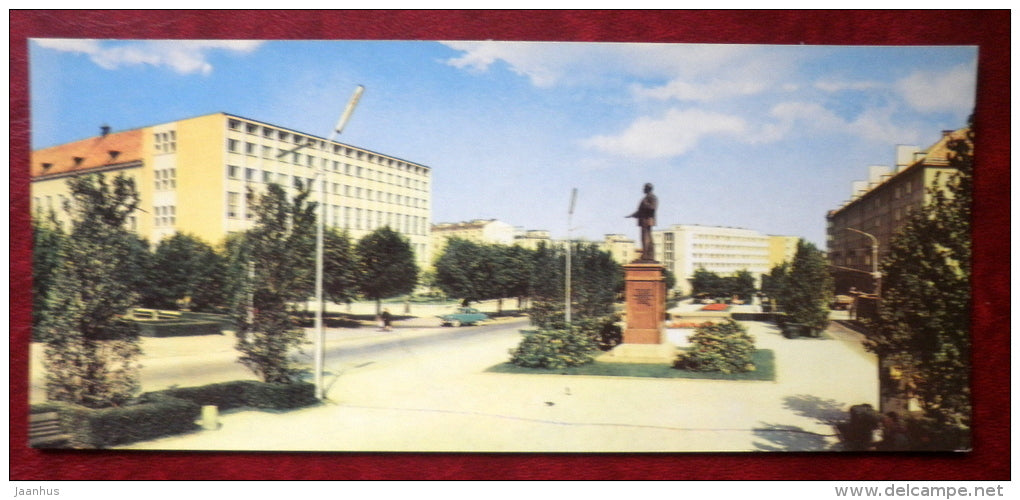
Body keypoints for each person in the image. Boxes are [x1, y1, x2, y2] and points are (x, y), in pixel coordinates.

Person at [626, 183, 658, 262]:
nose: (643, 189)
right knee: (645, 238)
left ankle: (647, 256)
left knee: (646, 238)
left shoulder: (652, 197)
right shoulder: (646, 198)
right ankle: (647, 255)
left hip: (647, 220)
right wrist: (632, 215)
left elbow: (653, 208)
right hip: (644, 220)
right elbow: (640, 211)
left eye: (644, 188)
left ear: (648, 189)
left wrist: (645, 204)